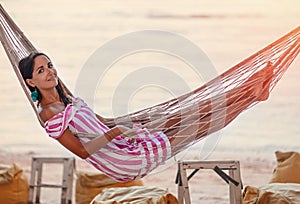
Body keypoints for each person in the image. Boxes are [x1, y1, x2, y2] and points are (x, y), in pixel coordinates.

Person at [18, 52, 273, 182]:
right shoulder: (49, 114)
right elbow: (84, 152)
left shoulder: (68, 100)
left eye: (49, 65)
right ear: (31, 81)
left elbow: (101, 122)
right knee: (199, 125)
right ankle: (252, 94)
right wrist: (117, 132)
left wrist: (130, 123)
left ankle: (248, 88)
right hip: (123, 159)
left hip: (122, 142)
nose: (50, 72)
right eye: (41, 70)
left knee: (185, 113)